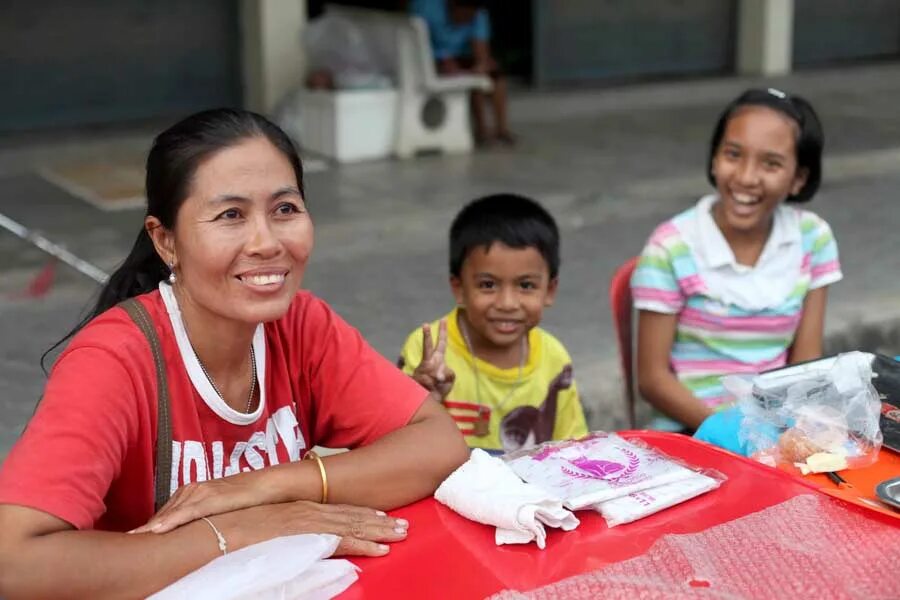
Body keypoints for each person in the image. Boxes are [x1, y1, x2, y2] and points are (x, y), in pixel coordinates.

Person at [0, 108, 468, 598]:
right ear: (166, 241)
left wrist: (266, 487)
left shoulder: (301, 325)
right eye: (230, 215)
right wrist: (241, 531)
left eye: (285, 209)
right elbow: (16, 563)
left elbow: (438, 444)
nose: (266, 242)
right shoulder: (114, 360)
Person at [631, 88, 842, 434]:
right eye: (733, 155)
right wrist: (731, 432)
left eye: (771, 163)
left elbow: (805, 364)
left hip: (777, 427)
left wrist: (786, 433)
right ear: (715, 159)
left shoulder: (812, 239)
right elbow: (653, 380)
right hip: (692, 429)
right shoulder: (670, 248)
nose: (746, 177)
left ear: (798, 178)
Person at [399, 194, 588, 453]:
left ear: (549, 291)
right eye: (488, 285)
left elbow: (574, 449)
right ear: (459, 288)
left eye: (526, 285)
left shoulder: (554, 359)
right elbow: (395, 443)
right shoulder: (428, 351)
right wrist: (423, 397)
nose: (508, 303)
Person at [409, 0, 515, 146]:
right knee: (469, 78)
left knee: (494, 76)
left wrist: (481, 65)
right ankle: (482, 130)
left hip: (463, 57)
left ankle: (501, 129)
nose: (467, 19)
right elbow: (415, 42)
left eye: (470, 16)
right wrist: (441, 59)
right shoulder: (426, 7)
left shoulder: (478, 15)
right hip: (431, 57)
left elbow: (480, 50)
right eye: (463, 14)